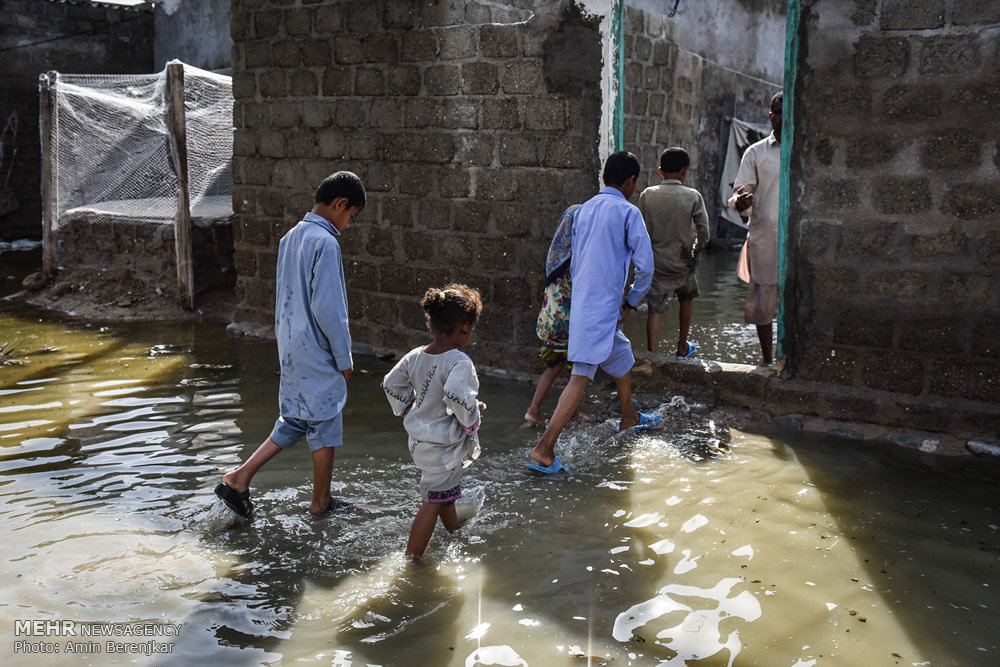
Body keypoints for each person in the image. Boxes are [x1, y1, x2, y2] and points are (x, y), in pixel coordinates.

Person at [215, 171, 366, 519]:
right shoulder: (326, 243)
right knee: (327, 420)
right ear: (340, 205)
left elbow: (287, 298)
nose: (348, 224)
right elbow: (329, 310)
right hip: (317, 346)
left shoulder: (290, 238)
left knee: (296, 419)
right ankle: (321, 502)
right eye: (350, 216)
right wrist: (344, 358)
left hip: (291, 344)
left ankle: (239, 478)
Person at [527, 151, 661, 475]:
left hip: (585, 305)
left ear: (603, 178)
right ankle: (544, 449)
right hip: (604, 309)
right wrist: (630, 303)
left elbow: (575, 261)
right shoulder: (629, 213)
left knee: (623, 355)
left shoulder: (583, 211)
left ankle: (628, 417)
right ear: (631, 183)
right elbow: (646, 268)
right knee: (580, 376)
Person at [382, 284, 484, 560]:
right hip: (442, 445)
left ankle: (454, 528)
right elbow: (456, 396)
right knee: (430, 502)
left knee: (442, 490)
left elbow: (391, 383)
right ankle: (411, 558)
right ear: (464, 327)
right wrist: (471, 421)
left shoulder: (416, 355)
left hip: (419, 442)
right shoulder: (459, 361)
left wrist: (409, 407)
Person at [637, 147, 710, 357]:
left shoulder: (647, 195)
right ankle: (682, 345)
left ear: (660, 171)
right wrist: (695, 254)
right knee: (686, 299)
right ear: (685, 171)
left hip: (657, 264)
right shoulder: (693, 196)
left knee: (655, 309)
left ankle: (652, 354)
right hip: (682, 262)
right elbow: (704, 232)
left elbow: (640, 231)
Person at [729, 91, 783, 365]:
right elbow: (740, 194)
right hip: (765, 239)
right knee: (764, 307)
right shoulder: (756, 152)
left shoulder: (805, 150)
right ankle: (766, 360)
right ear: (770, 116)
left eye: (787, 113)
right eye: (777, 113)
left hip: (795, 242)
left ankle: (788, 359)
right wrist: (741, 202)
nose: (781, 119)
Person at [523, 204, 580, 426]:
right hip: (566, 325)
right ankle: (571, 412)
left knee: (554, 366)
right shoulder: (575, 260)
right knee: (578, 370)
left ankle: (533, 410)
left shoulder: (556, 256)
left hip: (550, 322)